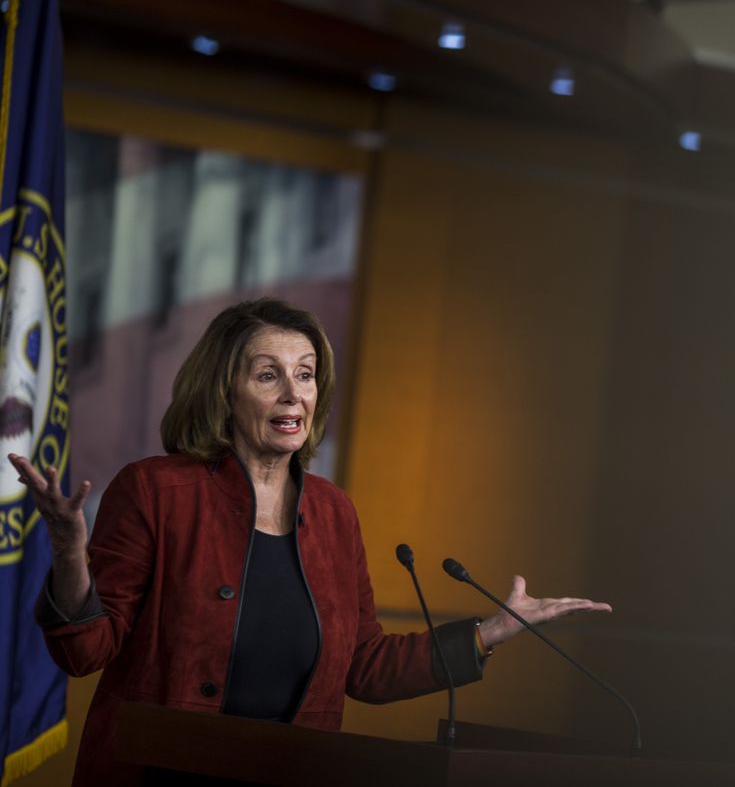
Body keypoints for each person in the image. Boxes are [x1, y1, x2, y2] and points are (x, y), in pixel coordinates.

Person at [11, 298, 611, 786]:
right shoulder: (155, 490)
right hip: (159, 775)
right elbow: (85, 653)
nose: (293, 393)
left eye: (305, 375)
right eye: (268, 375)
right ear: (224, 392)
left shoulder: (334, 513)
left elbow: (365, 667)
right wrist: (68, 553)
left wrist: (488, 633)